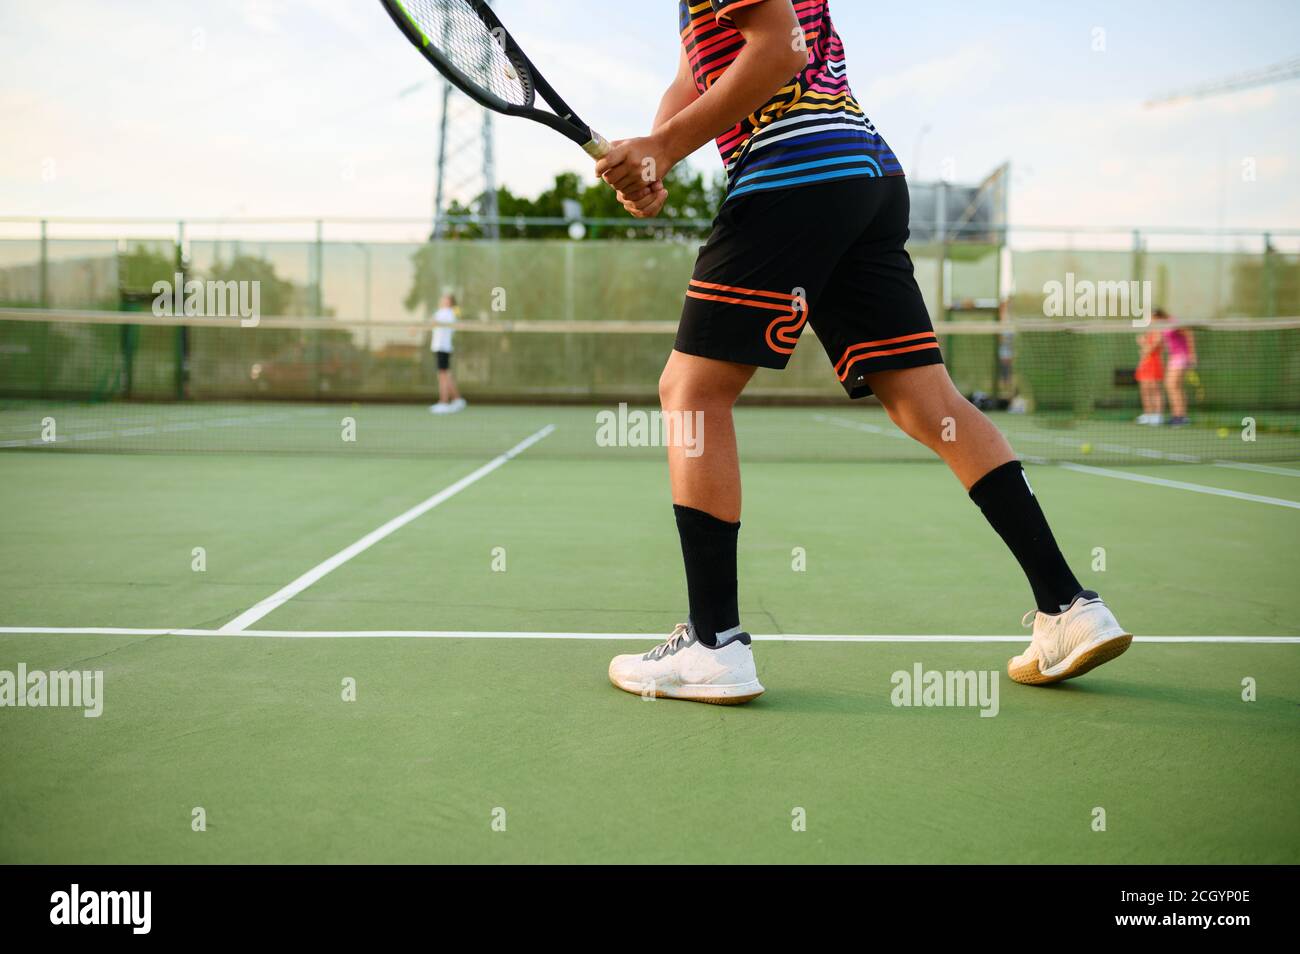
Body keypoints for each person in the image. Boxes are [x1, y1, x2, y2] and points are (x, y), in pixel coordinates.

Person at [595, 0, 1131, 703]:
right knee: (925, 405)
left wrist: (663, 149)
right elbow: (695, 73)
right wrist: (658, 148)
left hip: (794, 166)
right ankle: (1068, 607)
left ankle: (711, 643)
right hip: (864, 169)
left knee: (692, 392)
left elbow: (779, 51)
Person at [1157, 309, 1196, 427]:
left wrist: (1192, 355)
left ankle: (1179, 416)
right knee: (1176, 386)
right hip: (1173, 357)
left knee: (1171, 385)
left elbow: (1188, 333)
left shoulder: (1173, 322)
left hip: (1181, 357)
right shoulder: (1163, 325)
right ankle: (1179, 415)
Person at [429, 293, 466, 415]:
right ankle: (457, 399)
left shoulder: (448, 313)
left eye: (446, 299)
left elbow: (435, 322)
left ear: (450, 302)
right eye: (443, 298)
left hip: (444, 347)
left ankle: (444, 402)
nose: (443, 300)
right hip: (439, 347)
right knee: (446, 375)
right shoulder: (442, 311)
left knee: (443, 375)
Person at [1135, 320, 1165, 425]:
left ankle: (1158, 416)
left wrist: (1143, 343)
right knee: (1144, 390)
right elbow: (1144, 351)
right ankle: (1148, 414)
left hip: (1154, 364)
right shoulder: (1148, 332)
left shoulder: (1158, 332)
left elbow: (1151, 348)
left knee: (1155, 389)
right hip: (1145, 363)